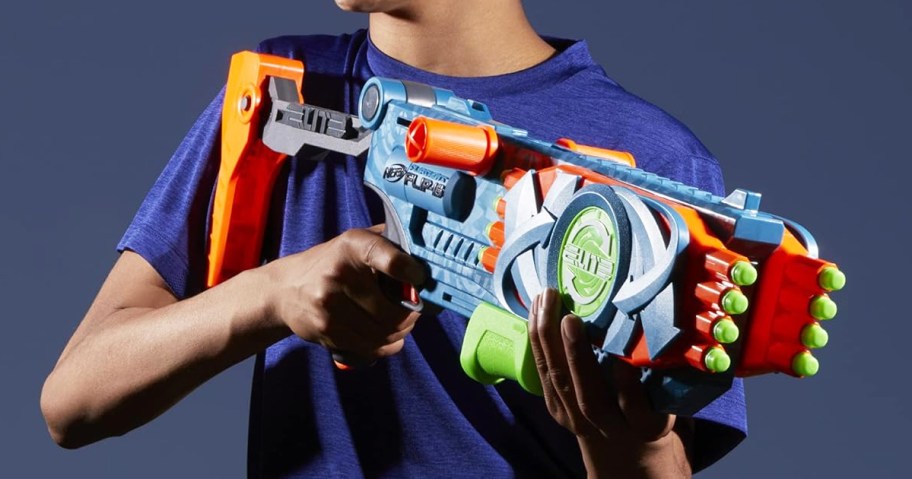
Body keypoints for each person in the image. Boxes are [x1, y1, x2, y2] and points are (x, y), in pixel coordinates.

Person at [41, 1, 746, 477]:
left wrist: (624, 440)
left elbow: (659, 458)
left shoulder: (657, 163)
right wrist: (272, 294)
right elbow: (74, 398)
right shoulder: (284, 95)